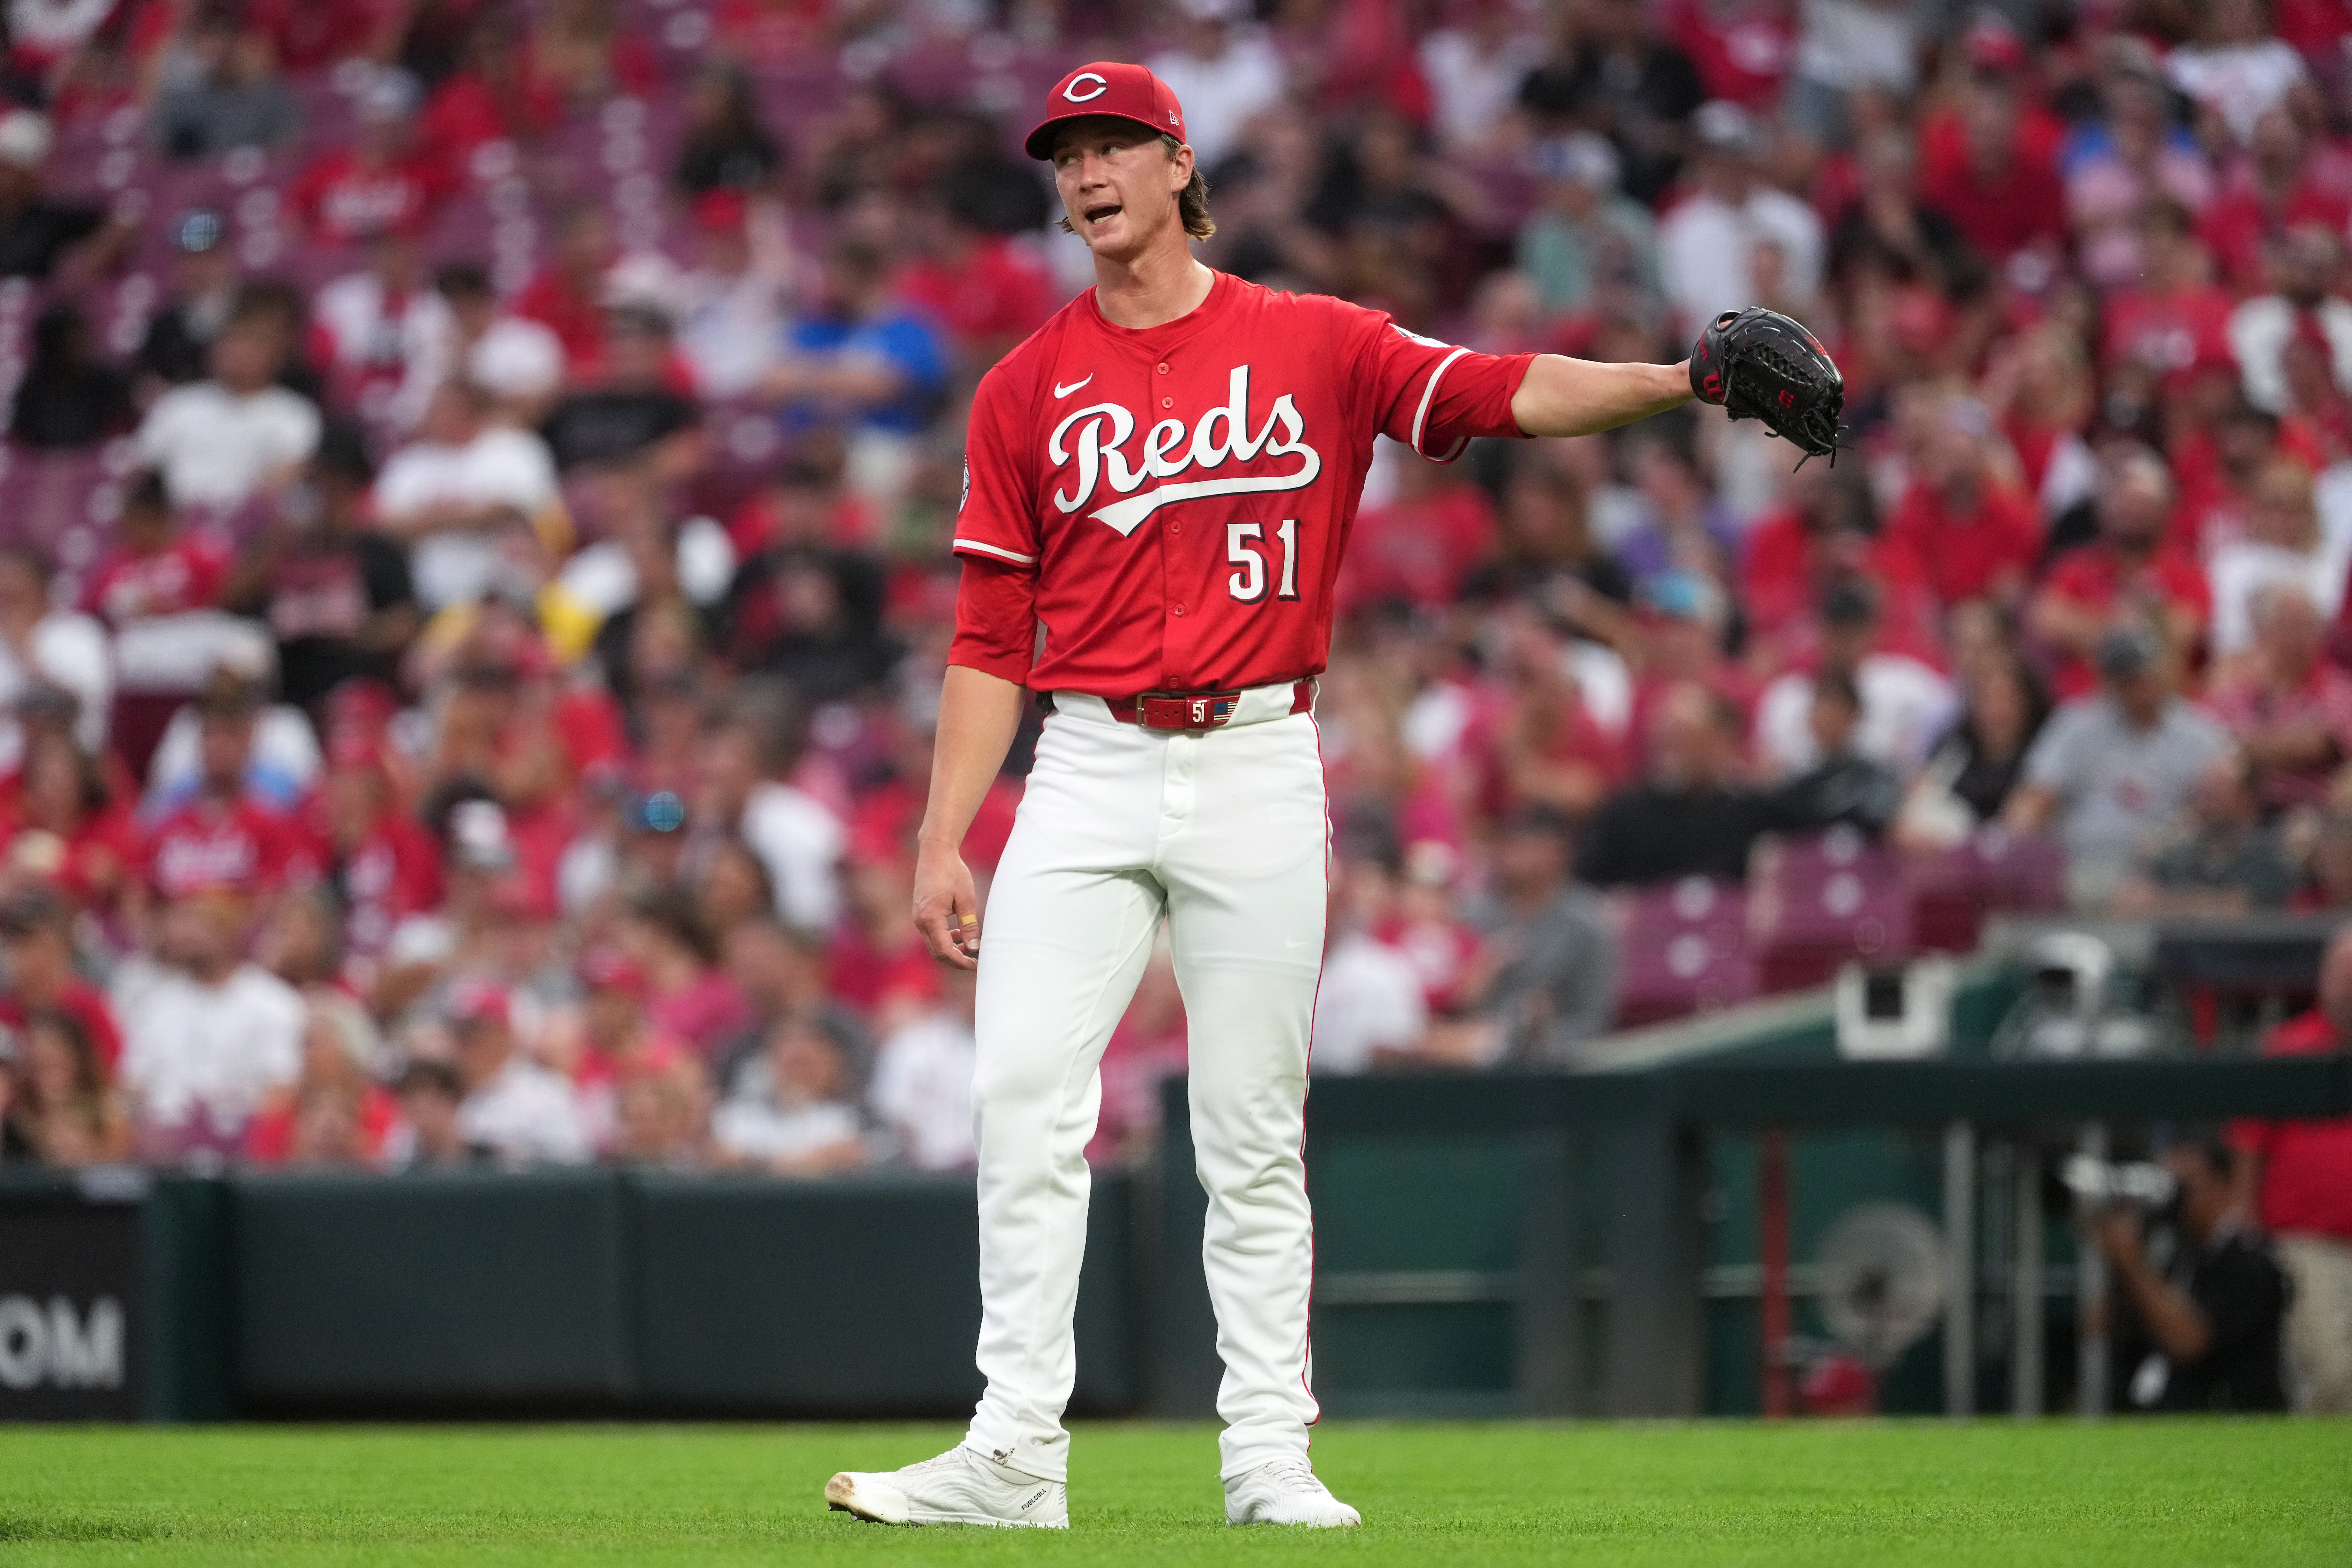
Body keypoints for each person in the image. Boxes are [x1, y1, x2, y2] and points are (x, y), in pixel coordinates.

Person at [824, 60, 1717, 1531]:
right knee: (1021, 1099)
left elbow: (1506, 393)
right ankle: (1013, 1455)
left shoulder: (1314, 340)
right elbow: (989, 641)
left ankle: (1267, 1456)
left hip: (1255, 757)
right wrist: (941, 841)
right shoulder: (1023, 387)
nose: (1089, 173)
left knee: (1250, 1123)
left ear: (1182, 167)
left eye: (1116, 145)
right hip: (1089, 760)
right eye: (1069, 154)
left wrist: (1677, 383)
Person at [2005, 624, 2232, 906]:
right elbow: (2034, 799)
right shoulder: (2078, 725)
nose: (2132, 686)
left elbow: (2225, 810)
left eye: (2138, 674)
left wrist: (2175, 842)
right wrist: (2016, 847)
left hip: (2168, 870)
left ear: (2159, 671)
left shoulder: (2199, 735)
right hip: (2084, 864)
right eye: (2122, 677)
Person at [2228, 927, 2352, 1413]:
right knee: (2333, 1372)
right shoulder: (2288, 1049)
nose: (2348, 988)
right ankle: (2327, 1485)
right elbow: (2248, 1143)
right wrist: (2243, 1222)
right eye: (2342, 976)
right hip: (2307, 1243)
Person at [2093, 1135, 2289, 1413]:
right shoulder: (2178, 1257)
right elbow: (2099, 1323)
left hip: (2227, 1416)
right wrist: (2123, 1256)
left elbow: (2191, 1342)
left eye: (2184, 1189)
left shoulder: (2250, 1261)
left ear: (2222, 1185)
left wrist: (2134, 1264)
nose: (2175, 1202)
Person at [1467, 807, 1616, 1064]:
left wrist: (1533, 1038)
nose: (1514, 855)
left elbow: (1593, 1019)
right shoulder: (1472, 914)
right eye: (1510, 843)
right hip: (1466, 1061)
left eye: (1528, 846)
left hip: (1557, 1073)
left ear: (1558, 854)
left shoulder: (1589, 924)